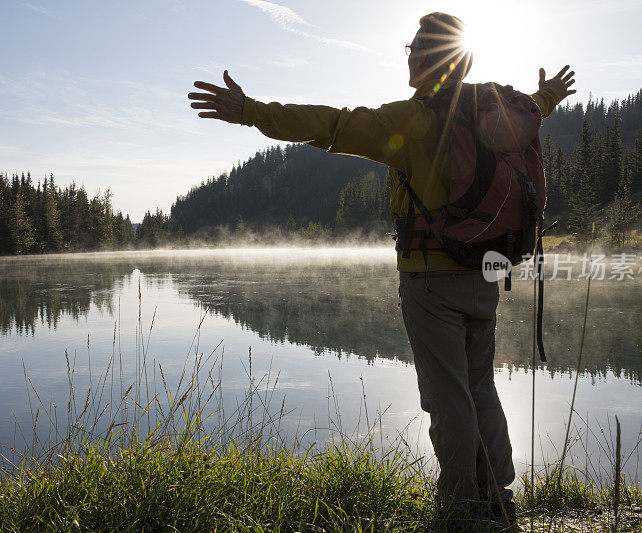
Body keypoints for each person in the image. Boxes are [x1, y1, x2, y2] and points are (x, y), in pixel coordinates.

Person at [188, 11, 576, 521]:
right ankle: (498, 497)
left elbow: (332, 126)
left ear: (437, 59)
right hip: (485, 275)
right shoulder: (491, 111)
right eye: (409, 47)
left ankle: (461, 506)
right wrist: (546, 98)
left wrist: (251, 111)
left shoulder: (410, 120)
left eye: (417, 47)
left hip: (432, 282)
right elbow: (529, 116)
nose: (410, 55)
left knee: (447, 397)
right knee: (480, 387)